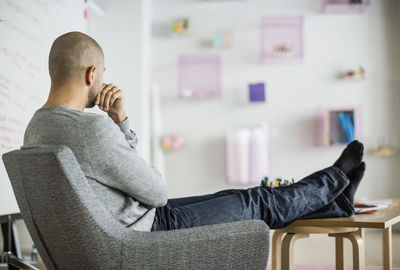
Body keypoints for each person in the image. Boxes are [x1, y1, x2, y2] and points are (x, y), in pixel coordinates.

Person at [23, 32, 366, 232]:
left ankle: (335, 205)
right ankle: (334, 179)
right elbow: (156, 191)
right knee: (256, 201)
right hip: (149, 230)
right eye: (103, 74)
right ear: (91, 73)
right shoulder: (91, 130)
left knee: (234, 195)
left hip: (125, 226)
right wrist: (121, 122)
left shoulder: (36, 129)